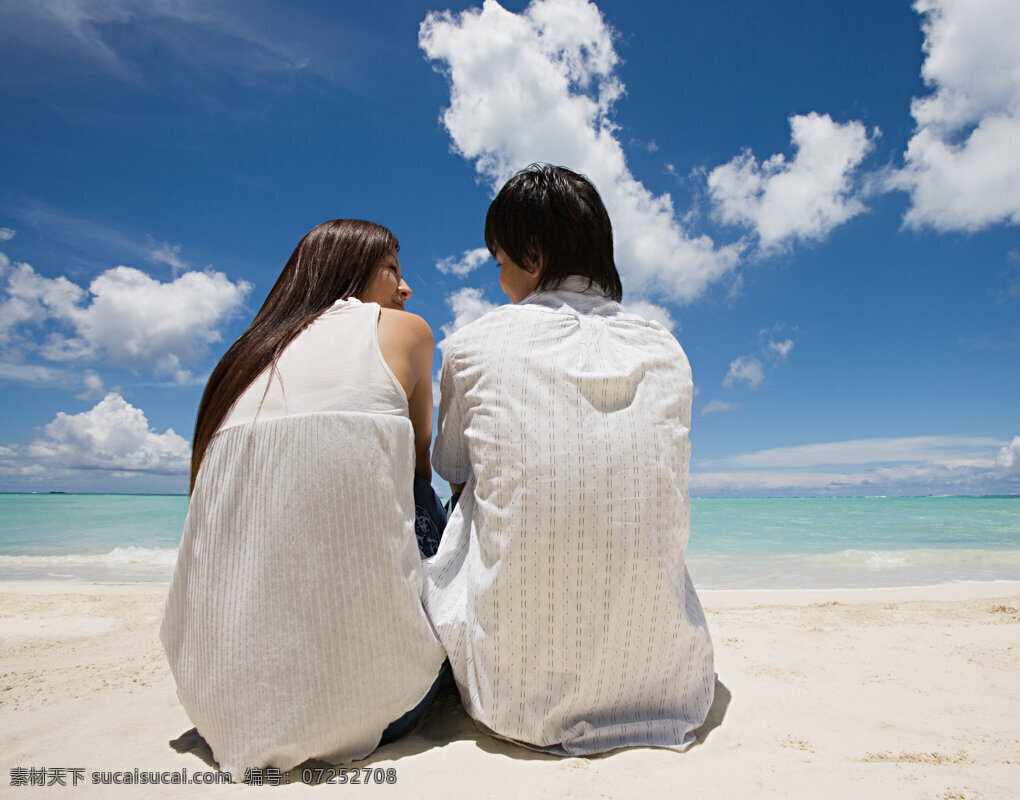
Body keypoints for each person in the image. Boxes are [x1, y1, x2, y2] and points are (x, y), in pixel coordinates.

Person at [425, 164, 715, 754]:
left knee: (447, 501)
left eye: (501, 260)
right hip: (673, 687)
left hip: (516, 702)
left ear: (533, 254)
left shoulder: (473, 345)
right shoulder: (666, 348)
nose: (500, 276)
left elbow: (453, 469)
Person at [160, 220, 446, 779]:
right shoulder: (404, 332)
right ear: (350, 271)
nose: (405, 287)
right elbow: (418, 464)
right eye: (393, 269)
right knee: (428, 496)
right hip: (383, 713)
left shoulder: (244, 360)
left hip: (220, 713)